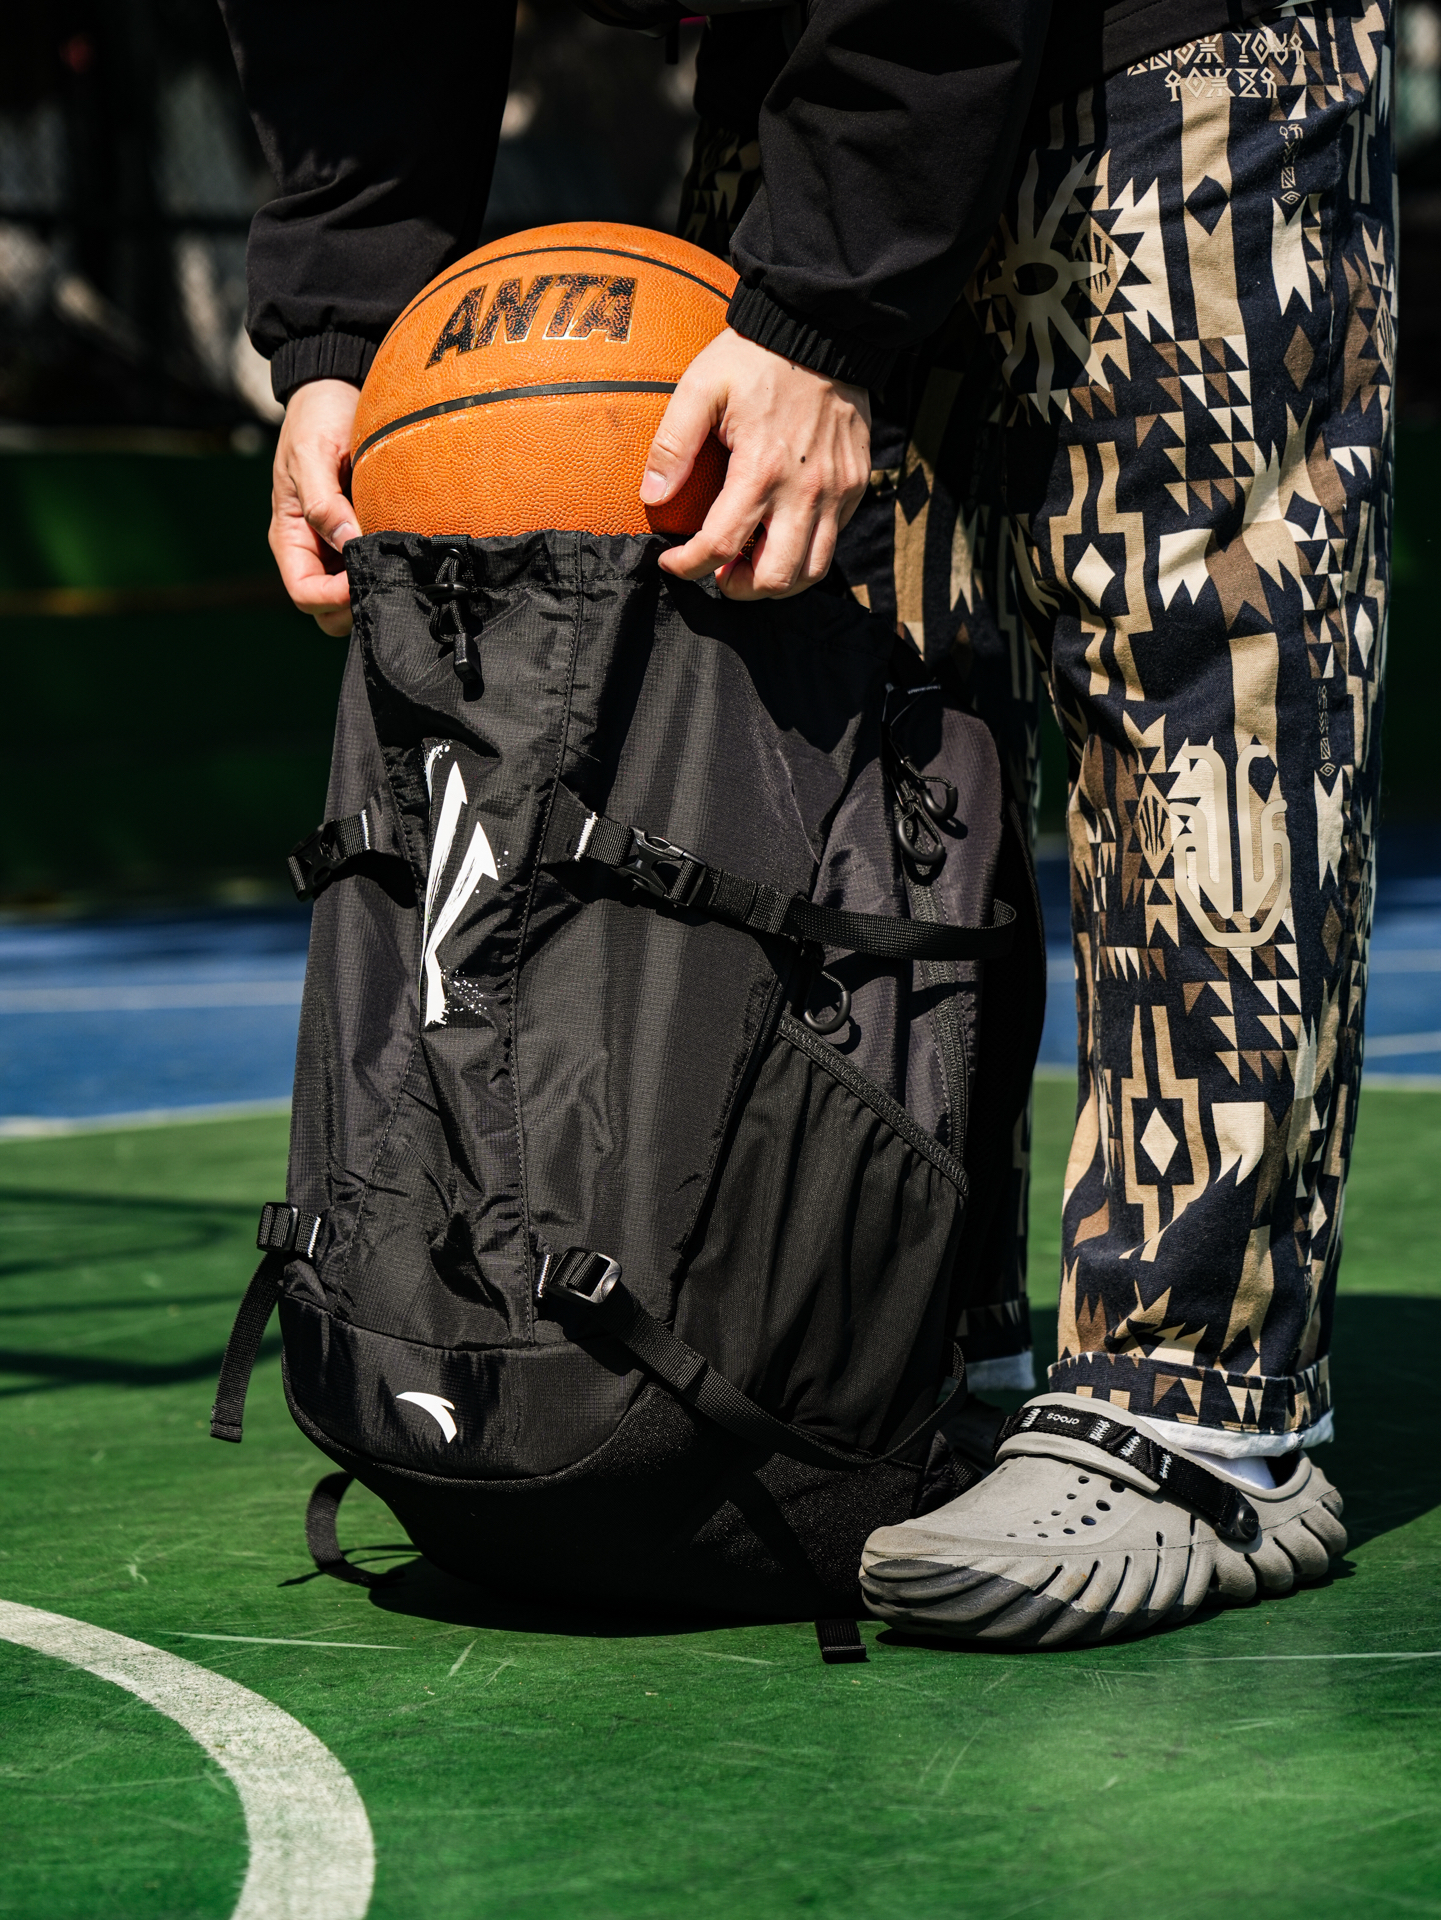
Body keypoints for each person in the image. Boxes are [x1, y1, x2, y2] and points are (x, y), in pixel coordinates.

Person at [221, 0, 1390, 1643]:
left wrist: (827, 300)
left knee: (1187, 663)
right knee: (833, 699)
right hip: (793, 66)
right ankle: (896, 1342)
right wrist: (347, 324)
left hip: (1156, 38)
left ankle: (1201, 1409)